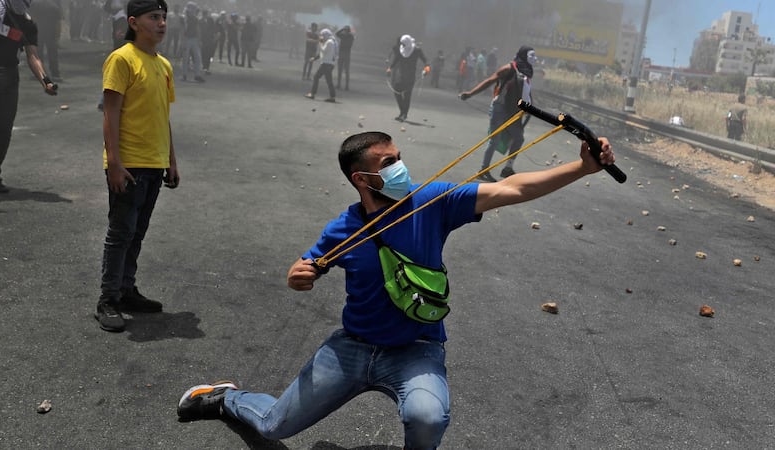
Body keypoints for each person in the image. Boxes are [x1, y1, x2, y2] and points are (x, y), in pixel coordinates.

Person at [176, 130, 615, 449]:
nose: (401, 166)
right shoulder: (343, 229)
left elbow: (511, 187)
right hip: (350, 348)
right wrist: (297, 274)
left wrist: (584, 167)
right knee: (273, 427)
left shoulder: (432, 202)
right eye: (388, 163)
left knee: (426, 417)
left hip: (416, 348)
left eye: (398, 156)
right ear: (361, 179)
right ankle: (226, 397)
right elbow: (306, 266)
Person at [95, 0, 180, 332]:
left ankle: (126, 290)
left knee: (137, 233)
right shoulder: (122, 59)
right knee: (120, 233)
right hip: (128, 163)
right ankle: (108, 300)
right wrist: (113, 163)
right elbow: (110, 113)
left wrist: (171, 161)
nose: (161, 23)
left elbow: (164, 117)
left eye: (163, 17)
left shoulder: (164, 65)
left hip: (154, 163)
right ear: (133, 22)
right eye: (153, 17)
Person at [0, 0, 58, 193]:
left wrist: (45, 81)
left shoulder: (27, 24)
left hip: (9, 79)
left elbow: (33, 55)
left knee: (3, 130)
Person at [459, 45, 536, 181]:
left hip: (514, 111)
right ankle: (483, 170)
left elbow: (526, 91)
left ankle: (508, 168)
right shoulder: (508, 69)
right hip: (500, 108)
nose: (535, 59)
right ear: (524, 56)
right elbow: (489, 81)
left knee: (518, 138)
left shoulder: (527, 72)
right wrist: (470, 94)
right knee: (494, 140)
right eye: (532, 56)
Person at [387, 34, 428, 122]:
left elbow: (425, 60)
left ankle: (404, 114)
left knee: (407, 95)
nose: (402, 46)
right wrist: (390, 68)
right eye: (402, 44)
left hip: (410, 76)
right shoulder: (401, 50)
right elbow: (396, 59)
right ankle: (402, 111)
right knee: (396, 91)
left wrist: (427, 67)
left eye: (404, 44)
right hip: (401, 75)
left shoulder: (416, 50)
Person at [304, 28, 336, 103]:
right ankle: (332, 97)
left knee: (316, 77)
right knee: (329, 81)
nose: (321, 37)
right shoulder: (330, 42)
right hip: (328, 64)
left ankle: (312, 94)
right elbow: (323, 53)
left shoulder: (329, 42)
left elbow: (323, 50)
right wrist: (314, 58)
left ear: (325, 35)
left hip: (326, 64)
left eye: (322, 35)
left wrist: (320, 43)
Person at [180, 1, 203, 82]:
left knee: (197, 57)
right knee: (185, 58)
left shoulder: (195, 18)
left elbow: (198, 29)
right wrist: (182, 40)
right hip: (186, 38)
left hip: (194, 39)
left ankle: (197, 75)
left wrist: (199, 39)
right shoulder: (184, 18)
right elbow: (183, 29)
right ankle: (184, 75)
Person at [335, 25, 353, 91]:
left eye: (346, 30)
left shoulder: (350, 36)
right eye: (345, 30)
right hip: (344, 54)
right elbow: (336, 34)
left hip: (345, 54)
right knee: (341, 70)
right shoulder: (347, 36)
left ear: (348, 31)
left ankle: (346, 86)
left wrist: (342, 29)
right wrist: (342, 29)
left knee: (346, 71)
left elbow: (337, 34)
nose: (346, 31)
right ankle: (340, 85)